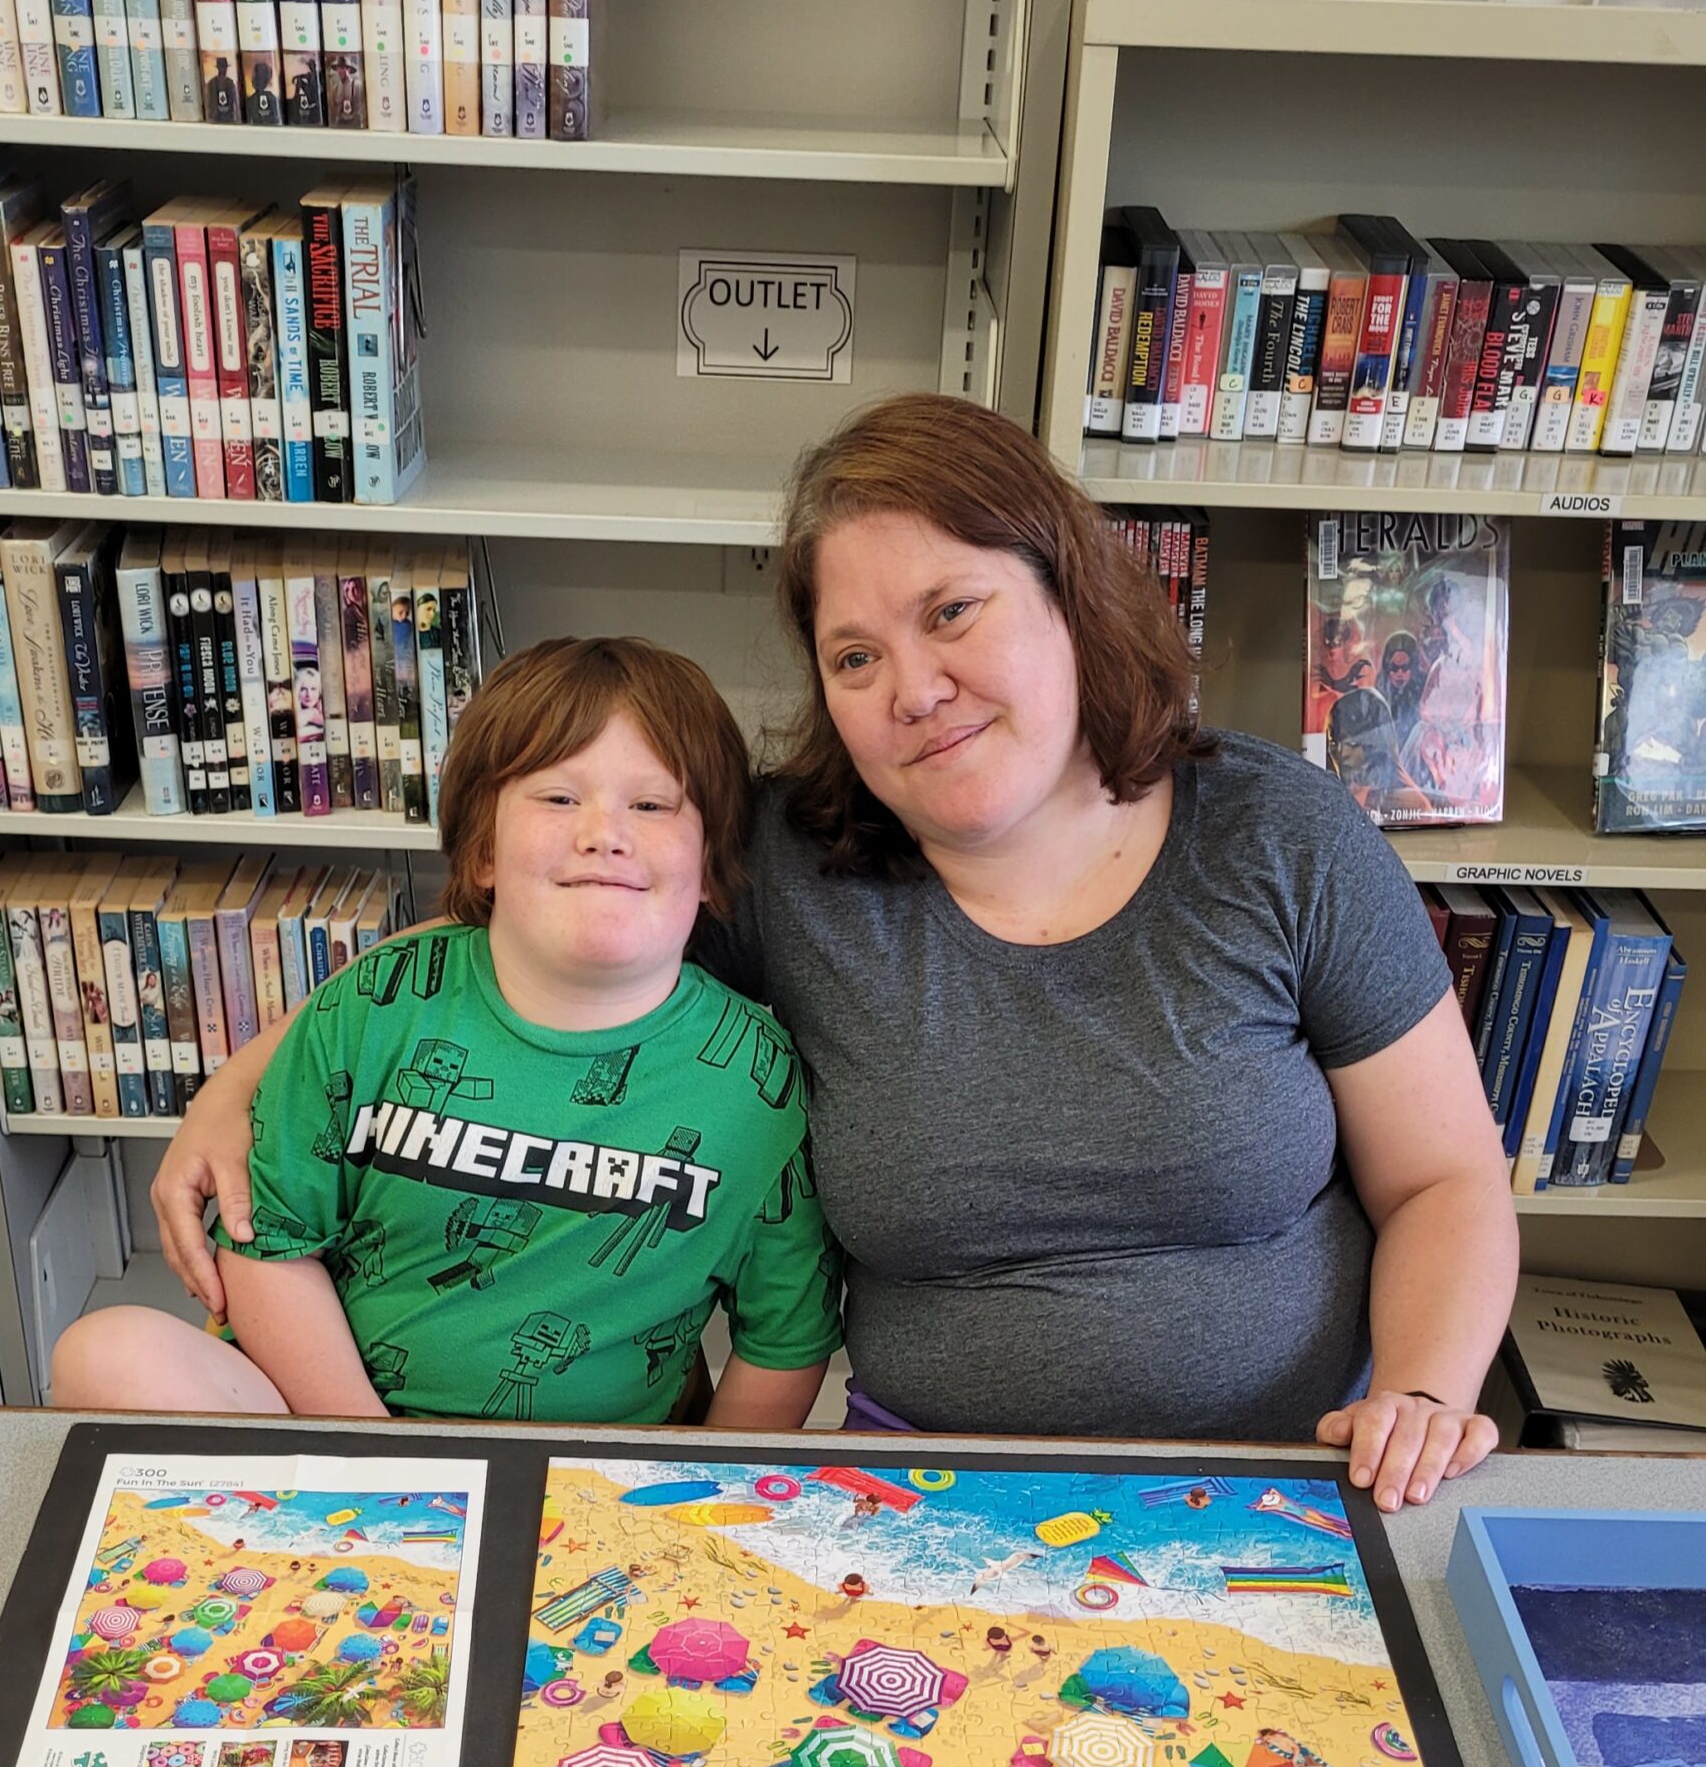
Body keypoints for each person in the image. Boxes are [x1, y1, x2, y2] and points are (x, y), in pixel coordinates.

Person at [148, 396, 1514, 1513]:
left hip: (1293, 1477)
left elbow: (1445, 1179)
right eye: (854, 657)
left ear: (1072, 594)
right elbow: (506, 942)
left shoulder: (1279, 834)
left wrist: (1422, 1394)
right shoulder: (788, 861)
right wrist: (240, 1089)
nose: (912, 689)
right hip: (919, 1491)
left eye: (952, 612)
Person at [52, 637, 841, 1427]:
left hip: (595, 1477)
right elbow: (268, 1249)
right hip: (342, 1432)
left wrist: (690, 1490)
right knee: (104, 1353)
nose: (604, 833)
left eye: (651, 805)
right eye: (558, 798)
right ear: (482, 851)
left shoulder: (756, 1082)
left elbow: (783, 1338)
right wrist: (381, 1458)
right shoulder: (375, 1003)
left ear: (711, 865)